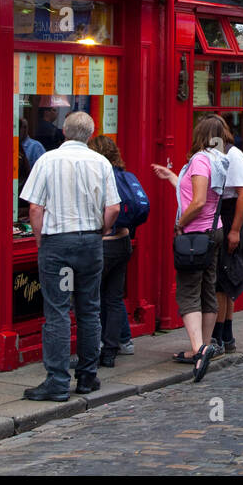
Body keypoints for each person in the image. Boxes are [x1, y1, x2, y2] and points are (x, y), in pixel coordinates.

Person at [19, 111, 119, 401]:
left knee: (58, 312)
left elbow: (35, 209)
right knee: (89, 309)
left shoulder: (48, 161)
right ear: (90, 133)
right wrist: (100, 232)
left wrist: (40, 241)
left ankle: (58, 381)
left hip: (58, 245)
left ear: (64, 131)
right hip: (89, 243)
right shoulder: (101, 162)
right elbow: (113, 209)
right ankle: (87, 376)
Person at [151, 115, 229, 381]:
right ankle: (205, 346)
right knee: (208, 288)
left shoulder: (200, 159)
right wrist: (174, 177)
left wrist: (179, 224)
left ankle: (198, 349)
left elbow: (196, 202)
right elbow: (202, 195)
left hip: (195, 235)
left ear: (200, 134)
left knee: (187, 291)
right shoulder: (220, 160)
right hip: (214, 231)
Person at [87, 135, 137, 368]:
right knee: (114, 299)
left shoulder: (98, 176)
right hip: (124, 242)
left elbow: (111, 209)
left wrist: (102, 231)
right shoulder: (124, 175)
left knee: (91, 299)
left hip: (104, 242)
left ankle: (94, 348)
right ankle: (112, 350)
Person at [212, 119, 243, 355]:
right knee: (224, 282)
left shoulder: (233, 154)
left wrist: (235, 230)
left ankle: (221, 334)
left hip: (229, 218)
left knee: (224, 281)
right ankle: (225, 335)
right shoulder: (216, 153)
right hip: (222, 216)